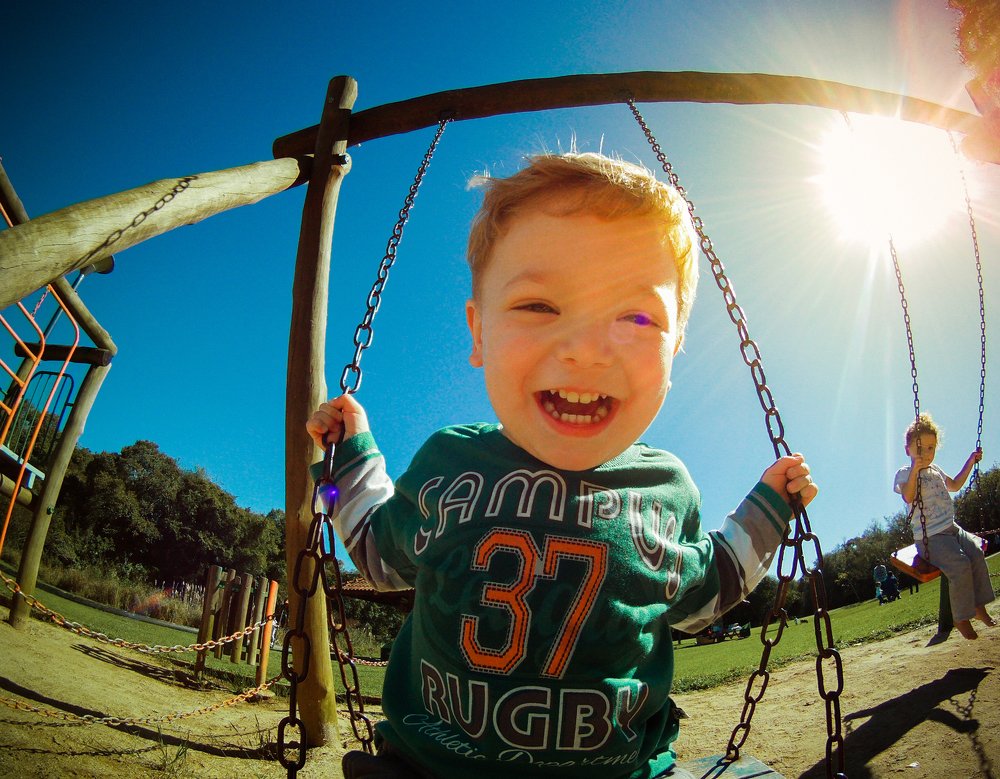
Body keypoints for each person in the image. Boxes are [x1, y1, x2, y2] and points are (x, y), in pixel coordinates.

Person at [307, 152, 819, 779]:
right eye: (539, 307)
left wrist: (768, 508)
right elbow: (380, 555)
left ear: (676, 344)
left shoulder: (665, 489)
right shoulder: (449, 463)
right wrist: (349, 454)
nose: (584, 351)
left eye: (635, 317)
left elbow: (704, 595)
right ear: (479, 331)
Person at [893, 412, 995, 640]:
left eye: (931, 448)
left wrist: (970, 461)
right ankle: (960, 616)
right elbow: (908, 497)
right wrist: (915, 472)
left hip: (952, 528)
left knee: (976, 554)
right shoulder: (905, 474)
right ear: (907, 449)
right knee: (959, 565)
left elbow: (956, 485)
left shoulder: (936, 470)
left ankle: (978, 607)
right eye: (920, 448)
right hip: (930, 538)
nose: (926, 453)